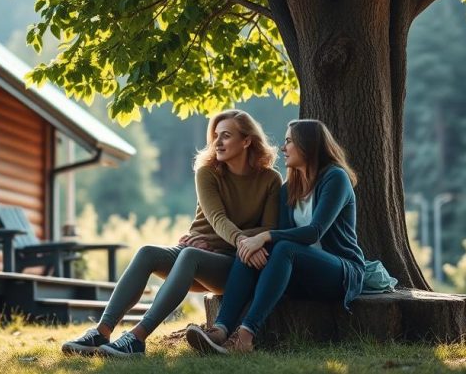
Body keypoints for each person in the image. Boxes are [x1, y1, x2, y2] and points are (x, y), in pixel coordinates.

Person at [61, 109, 281, 357]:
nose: (217, 142)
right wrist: (224, 239)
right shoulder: (207, 172)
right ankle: (102, 331)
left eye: (226, 136)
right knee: (147, 253)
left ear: (247, 140)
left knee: (189, 254)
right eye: (215, 136)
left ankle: (137, 338)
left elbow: (270, 229)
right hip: (195, 255)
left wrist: (218, 241)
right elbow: (217, 218)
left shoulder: (270, 179)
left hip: (229, 264)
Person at [185, 119, 365, 355]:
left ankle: (246, 336)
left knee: (281, 248)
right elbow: (279, 236)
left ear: (307, 145)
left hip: (340, 272)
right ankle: (220, 330)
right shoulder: (288, 188)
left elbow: (314, 232)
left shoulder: (335, 179)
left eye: (289, 141)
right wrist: (240, 244)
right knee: (250, 247)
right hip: (300, 274)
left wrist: (265, 236)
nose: (283, 148)